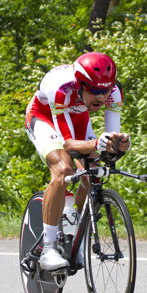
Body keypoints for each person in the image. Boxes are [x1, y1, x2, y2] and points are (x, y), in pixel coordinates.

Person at [25, 52, 130, 270]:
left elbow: (112, 137)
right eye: (94, 91)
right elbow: (69, 145)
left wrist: (118, 145)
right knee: (64, 169)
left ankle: (75, 230)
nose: (101, 97)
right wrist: (96, 144)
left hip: (78, 118)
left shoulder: (113, 92)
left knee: (95, 174)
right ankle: (49, 248)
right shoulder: (61, 88)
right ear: (80, 84)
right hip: (44, 117)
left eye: (105, 90)